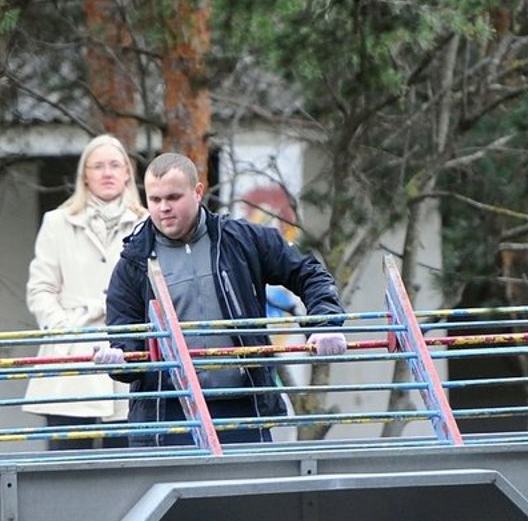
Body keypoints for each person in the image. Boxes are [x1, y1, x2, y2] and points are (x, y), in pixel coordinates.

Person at [95, 153, 346, 445]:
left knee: (245, 493)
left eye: (174, 197)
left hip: (243, 407)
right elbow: (127, 342)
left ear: (198, 192)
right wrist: (120, 359)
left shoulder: (240, 240)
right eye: (155, 199)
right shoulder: (133, 263)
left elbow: (308, 272)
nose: (163, 208)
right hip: (168, 417)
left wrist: (325, 322)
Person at [24, 134, 146, 450]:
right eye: (98, 166)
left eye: (115, 165)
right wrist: (63, 330)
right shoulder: (57, 222)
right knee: (66, 466)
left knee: (124, 464)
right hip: (71, 356)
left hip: (127, 351)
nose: (107, 173)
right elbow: (40, 288)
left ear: (127, 174)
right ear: (85, 176)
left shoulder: (147, 224)